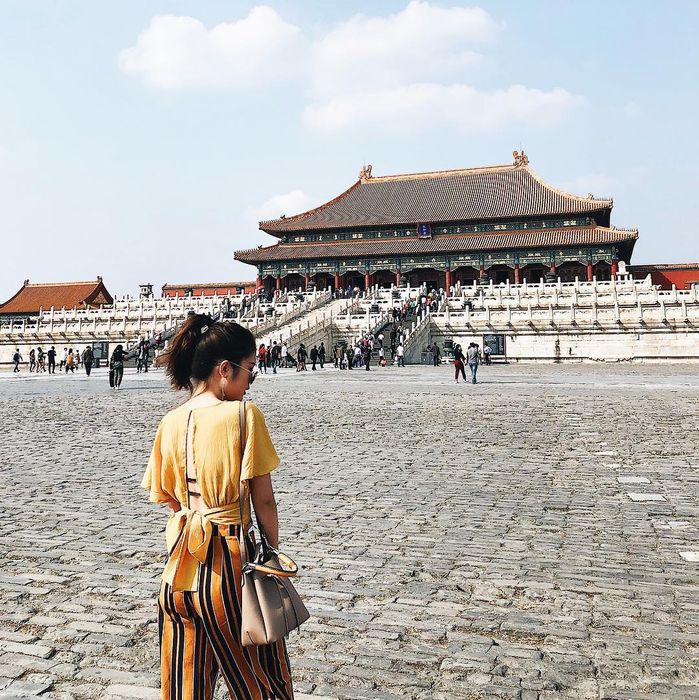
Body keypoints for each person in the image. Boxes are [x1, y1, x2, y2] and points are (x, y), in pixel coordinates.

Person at [141, 314, 294, 699]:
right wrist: (270, 553)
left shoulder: (170, 422)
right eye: (250, 371)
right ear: (224, 370)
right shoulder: (243, 416)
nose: (250, 382)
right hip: (229, 565)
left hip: (179, 568)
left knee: (185, 682)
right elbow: (264, 500)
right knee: (259, 678)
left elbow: (168, 498)